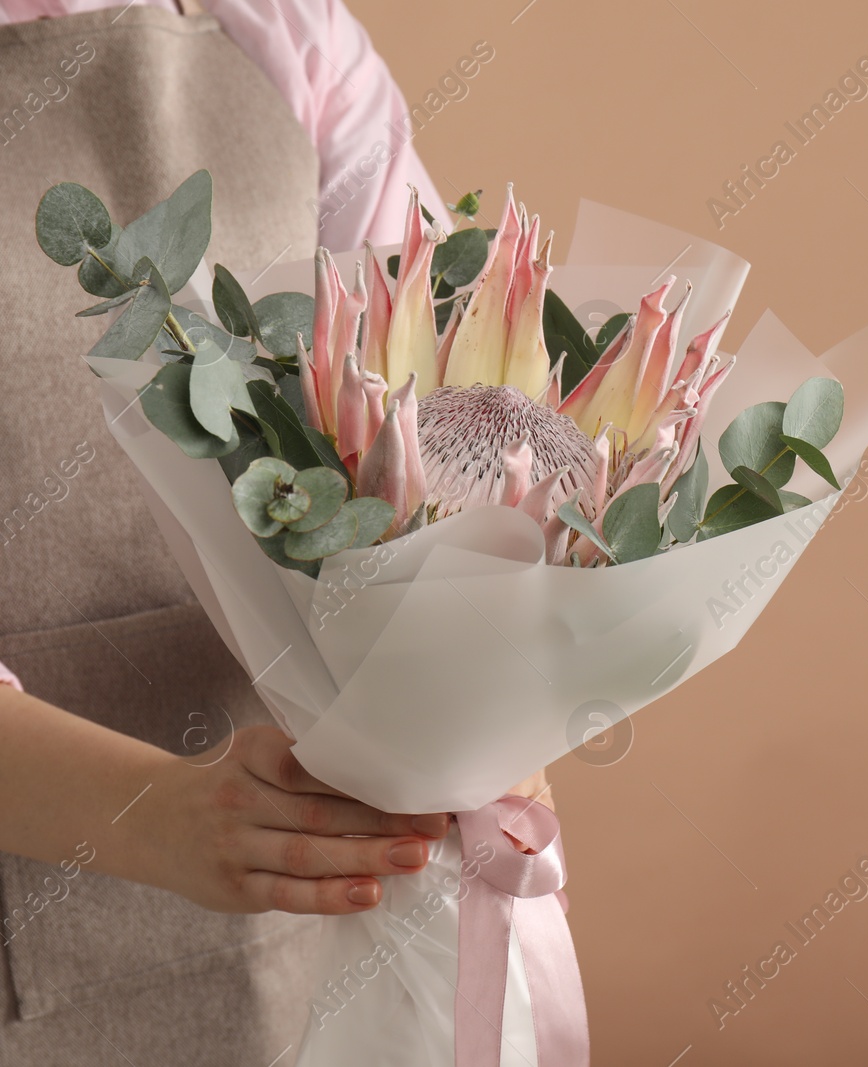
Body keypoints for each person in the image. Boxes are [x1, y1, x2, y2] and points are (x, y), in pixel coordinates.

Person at [0, 1, 547, 1061]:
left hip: (297, 901)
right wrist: (153, 811)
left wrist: (492, 688)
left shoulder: (280, 29)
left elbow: (434, 372)